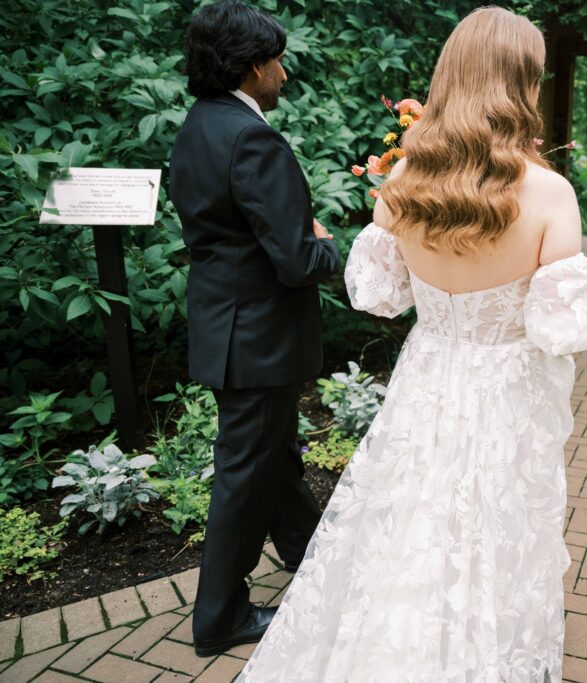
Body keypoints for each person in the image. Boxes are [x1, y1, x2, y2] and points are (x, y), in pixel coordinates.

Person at [237, 7, 587, 681]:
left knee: (406, 529)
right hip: (508, 401)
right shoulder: (551, 195)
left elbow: (379, 296)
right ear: (521, 83)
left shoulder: (402, 185)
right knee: (492, 540)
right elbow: (565, 332)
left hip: (427, 382)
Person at [167, 0, 340, 657]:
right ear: (250, 67)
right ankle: (219, 618)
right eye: (276, 62)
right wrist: (330, 244)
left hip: (228, 326)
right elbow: (295, 261)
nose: (284, 75)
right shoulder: (252, 137)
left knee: (275, 459)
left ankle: (308, 556)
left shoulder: (197, 126)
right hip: (260, 336)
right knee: (245, 476)